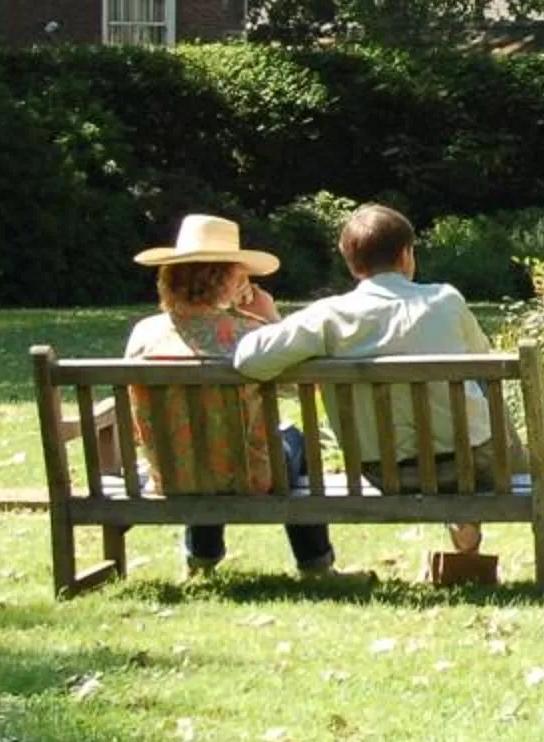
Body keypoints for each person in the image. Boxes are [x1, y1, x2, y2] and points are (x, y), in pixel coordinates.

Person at [230, 202, 512, 584]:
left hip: (384, 468)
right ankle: (465, 521)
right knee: (482, 420)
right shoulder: (446, 300)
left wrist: (266, 314)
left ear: (351, 263)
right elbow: (482, 359)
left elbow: (248, 360)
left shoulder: (329, 315)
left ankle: (461, 523)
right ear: (406, 255)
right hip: (470, 464)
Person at [124, 214, 360, 583]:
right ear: (226, 281)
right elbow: (295, 386)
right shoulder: (249, 335)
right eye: (240, 277)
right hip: (249, 474)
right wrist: (271, 321)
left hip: (173, 474)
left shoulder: (144, 334)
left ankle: (202, 558)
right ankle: (315, 562)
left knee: (201, 444)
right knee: (295, 439)